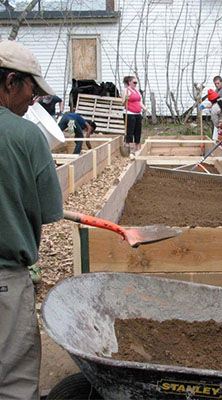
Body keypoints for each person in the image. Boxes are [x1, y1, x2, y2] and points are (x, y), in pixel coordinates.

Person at [0, 39, 63, 399]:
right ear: (11, 82)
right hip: (5, 280)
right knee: (12, 382)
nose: (33, 99)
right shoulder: (26, 136)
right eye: (31, 89)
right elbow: (50, 210)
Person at [122, 76, 147, 159]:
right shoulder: (126, 91)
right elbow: (123, 103)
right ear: (129, 82)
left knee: (138, 131)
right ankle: (129, 150)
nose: (135, 84)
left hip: (137, 114)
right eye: (134, 82)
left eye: (136, 83)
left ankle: (138, 150)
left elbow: (138, 101)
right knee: (130, 131)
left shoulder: (136, 91)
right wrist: (126, 99)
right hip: (129, 114)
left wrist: (144, 107)